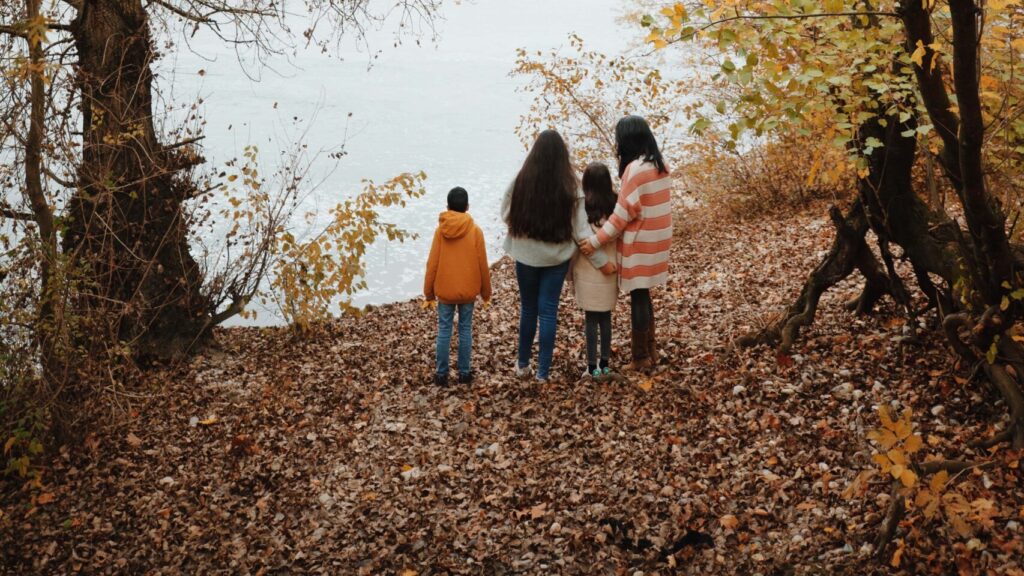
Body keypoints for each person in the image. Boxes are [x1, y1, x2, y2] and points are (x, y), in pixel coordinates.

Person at [503, 130, 615, 383]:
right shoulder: (571, 185)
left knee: (528, 309)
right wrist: (602, 262)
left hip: (526, 256)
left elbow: (505, 212)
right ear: (562, 154)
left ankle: (522, 365)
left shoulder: (521, 180)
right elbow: (580, 232)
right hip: (555, 259)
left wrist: (523, 232)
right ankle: (543, 373)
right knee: (548, 312)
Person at [579, 116, 673, 370]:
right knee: (645, 295)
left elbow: (621, 216)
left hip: (640, 242)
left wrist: (595, 241)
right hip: (658, 239)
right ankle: (650, 350)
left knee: (639, 297)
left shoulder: (634, 170)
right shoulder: (659, 163)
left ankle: (640, 357)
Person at [424, 187, 492, 386]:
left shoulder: (440, 231)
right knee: (465, 329)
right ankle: (464, 372)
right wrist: (486, 293)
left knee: (444, 330)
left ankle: (441, 374)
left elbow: (433, 263)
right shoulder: (475, 231)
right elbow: (482, 264)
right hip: (468, 291)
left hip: (445, 291)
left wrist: (428, 293)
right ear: (468, 207)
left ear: (447, 207)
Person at [571, 162, 619, 381]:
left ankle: (591, 367)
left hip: (588, 269)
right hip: (610, 268)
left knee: (591, 318)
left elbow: (581, 239)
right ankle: (605, 364)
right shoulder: (616, 204)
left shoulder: (581, 207)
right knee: (605, 317)